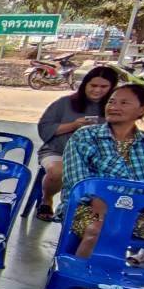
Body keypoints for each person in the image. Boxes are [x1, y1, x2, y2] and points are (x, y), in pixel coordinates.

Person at [58, 84, 144, 289]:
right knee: (97, 230)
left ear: (142, 109)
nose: (114, 107)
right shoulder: (86, 137)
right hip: (89, 207)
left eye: (124, 103)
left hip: (141, 214)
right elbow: (77, 179)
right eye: (112, 101)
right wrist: (99, 199)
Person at [34, 66, 118, 221]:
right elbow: (44, 128)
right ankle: (47, 200)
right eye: (93, 86)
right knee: (57, 172)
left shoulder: (114, 109)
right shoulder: (64, 103)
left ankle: (88, 211)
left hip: (96, 158)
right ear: (85, 84)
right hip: (57, 151)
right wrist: (72, 125)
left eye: (103, 87)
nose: (97, 90)